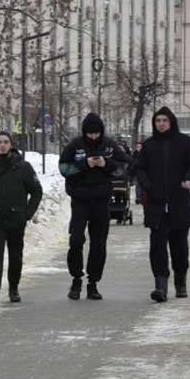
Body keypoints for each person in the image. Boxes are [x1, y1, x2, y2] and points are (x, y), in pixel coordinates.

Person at [135, 106, 190, 302]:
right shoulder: (149, 145)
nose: (161, 124)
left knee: (179, 245)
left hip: (179, 200)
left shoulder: (184, 142)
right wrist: (148, 185)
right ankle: (160, 286)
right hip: (156, 202)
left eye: (164, 120)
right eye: (158, 120)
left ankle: (180, 283)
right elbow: (140, 169)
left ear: (171, 122)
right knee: (157, 245)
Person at [58, 112, 129, 300]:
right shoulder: (75, 145)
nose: (94, 137)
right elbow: (64, 168)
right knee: (76, 240)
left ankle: (93, 282)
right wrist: (85, 164)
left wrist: (106, 163)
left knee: (98, 243)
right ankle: (76, 280)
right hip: (80, 200)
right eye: (90, 134)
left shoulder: (109, 145)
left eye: (97, 134)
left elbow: (124, 167)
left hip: (101, 201)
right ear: (84, 132)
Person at [0, 132, 43, 305]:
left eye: (5, 142)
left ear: (11, 145)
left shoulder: (23, 167)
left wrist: (27, 214)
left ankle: (13, 288)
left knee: (15, 254)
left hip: (16, 218)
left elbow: (37, 191)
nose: (2, 145)